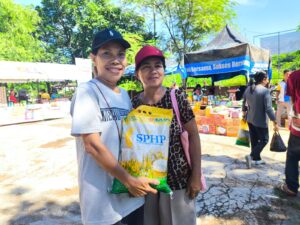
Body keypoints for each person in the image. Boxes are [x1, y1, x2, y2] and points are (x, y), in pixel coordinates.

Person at [70, 29, 158, 225]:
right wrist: (129, 180)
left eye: (120, 54)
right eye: (106, 53)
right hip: (102, 203)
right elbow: (92, 146)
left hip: (132, 197)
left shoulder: (125, 95)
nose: (115, 60)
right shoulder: (86, 92)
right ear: (94, 58)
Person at [132, 45, 203, 225]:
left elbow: (194, 136)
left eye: (158, 65)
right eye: (146, 66)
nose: (153, 71)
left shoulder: (176, 97)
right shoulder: (133, 104)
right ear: (137, 74)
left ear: (163, 70)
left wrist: (196, 175)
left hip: (178, 181)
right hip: (147, 184)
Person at [243, 71, 279, 169]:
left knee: (254, 140)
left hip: (250, 118)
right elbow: (268, 109)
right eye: (267, 78)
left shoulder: (248, 89)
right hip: (260, 120)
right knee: (264, 140)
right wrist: (274, 121)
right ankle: (251, 156)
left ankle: (257, 159)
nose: (268, 80)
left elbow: (244, 102)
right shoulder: (265, 91)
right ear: (263, 79)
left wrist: (243, 112)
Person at [277, 70, 300, 196]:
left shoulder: (295, 76)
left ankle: (291, 187)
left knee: (293, 155)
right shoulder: (281, 82)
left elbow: (292, 98)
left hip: (299, 123)